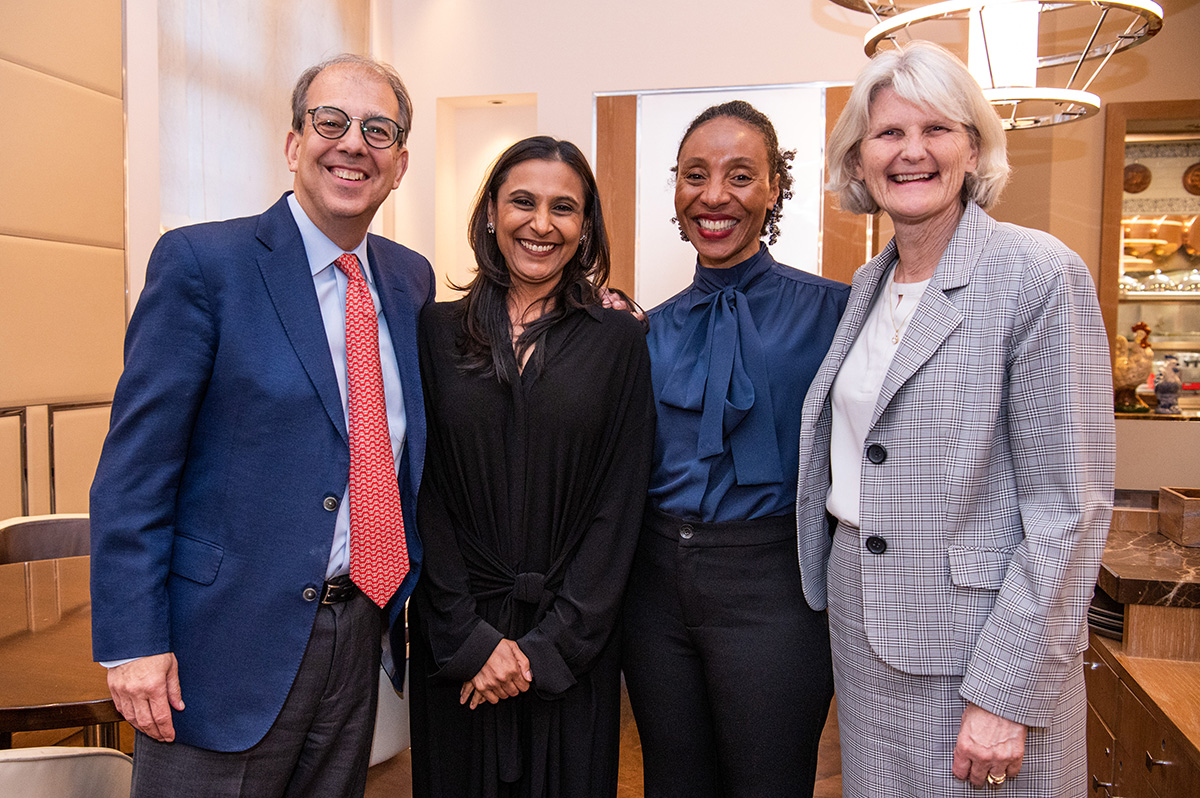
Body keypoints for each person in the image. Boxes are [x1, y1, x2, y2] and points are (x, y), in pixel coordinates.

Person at [89, 53, 434, 797]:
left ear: (399, 164)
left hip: (360, 629)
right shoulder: (202, 264)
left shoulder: (408, 281)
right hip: (219, 645)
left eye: (377, 130)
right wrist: (134, 644)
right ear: (292, 144)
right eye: (330, 122)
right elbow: (135, 473)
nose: (352, 144)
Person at [797, 41, 1115, 796]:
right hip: (866, 632)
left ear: (974, 148)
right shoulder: (871, 282)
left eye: (937, 130)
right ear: (859, 160)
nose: (912, 152)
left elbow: (1068, 508)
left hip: (981, 651)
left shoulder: (1037, 275)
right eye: (888, 135)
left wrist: (1004, 695)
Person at [407, 136, 655, 798]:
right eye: (523, 201)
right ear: (491, 212)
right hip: (457, 642)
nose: (541, 224)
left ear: (585, 226)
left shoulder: (621, 341)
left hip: (573, 648)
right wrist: (467, 639)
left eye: (563, 208)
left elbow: (619, 504)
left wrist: (553, 648)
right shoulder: (432, 331)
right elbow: (423, 493)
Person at [621, 101, 849, 798]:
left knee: (768, 783)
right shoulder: (642, 332)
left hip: (775, 588)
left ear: (775, 187)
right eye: (695, 175)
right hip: (654, 588)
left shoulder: (837, 313)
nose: (714, 195)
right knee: (673, 781)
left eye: (740, 175)